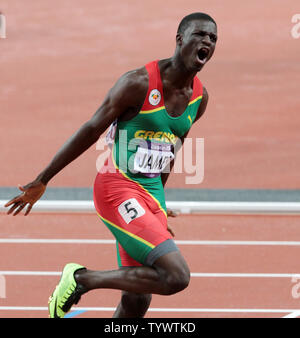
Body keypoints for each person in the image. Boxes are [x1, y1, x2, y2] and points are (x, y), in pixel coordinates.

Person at [5, 12, 218, 318]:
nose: (207, 42)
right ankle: (81, 279)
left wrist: (157, 204)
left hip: (149, 194)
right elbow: (91, 129)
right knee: (176, 276)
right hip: (116, 188)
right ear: (180, 39)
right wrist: (43, 179)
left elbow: (171, 149)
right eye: (200, 34)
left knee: (137, 301)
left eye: (213, 38)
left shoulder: (200, 98)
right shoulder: (138, 83)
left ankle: (91, 283)